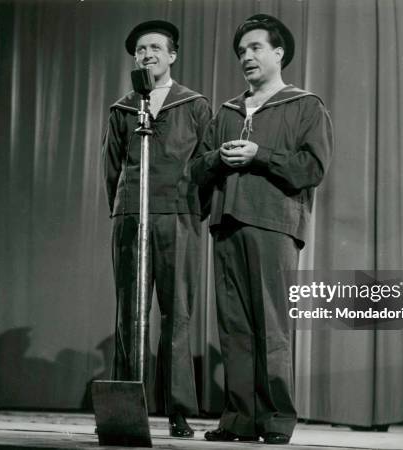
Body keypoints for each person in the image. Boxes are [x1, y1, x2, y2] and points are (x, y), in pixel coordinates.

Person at [190, 14, 333, 445]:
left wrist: (260, 154)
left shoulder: (305, 105)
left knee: (272, 326)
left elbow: (312, 168)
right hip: (226, 224)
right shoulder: (228, 111)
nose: (246, 57)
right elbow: (196, 167)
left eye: (255, 48)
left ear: (278, 52)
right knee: (234, 327)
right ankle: (238, 421)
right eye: (241, 52)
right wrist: (219, 158)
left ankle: (274, 421)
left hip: (273, 224)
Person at [102, 20, 211, 438]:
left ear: (172, 55)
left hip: (178, 215)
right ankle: (127, 406)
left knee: (176, 313)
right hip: (131, 215)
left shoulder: (194, 105)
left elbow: (205, 162)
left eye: (154, 48)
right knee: (129, 311)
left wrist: (190, 212)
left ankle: (178, 410)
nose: (146, 55)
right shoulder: (123, 108)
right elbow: (112, 170)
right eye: (140, 50)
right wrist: (124, 208)